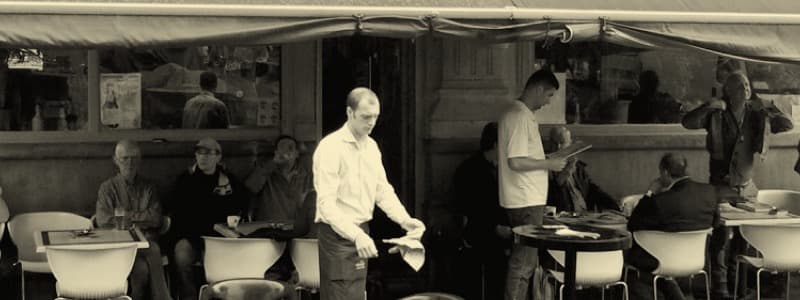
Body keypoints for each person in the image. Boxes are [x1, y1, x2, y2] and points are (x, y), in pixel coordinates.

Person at [682, 71, 793, 299]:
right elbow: (688, 122)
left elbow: (787, 125)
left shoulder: (756, 113)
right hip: (721, 187)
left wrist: (769, 106)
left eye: (746, 84)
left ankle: (738, 285)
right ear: (729, 91)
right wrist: (708, 106)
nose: (745, 87)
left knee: (745, 239)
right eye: (740, 85)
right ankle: (720, 289)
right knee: (720, 239)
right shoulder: (718, 114)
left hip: (747, 187)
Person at [313, 87, 425, 300]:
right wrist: (357, 235)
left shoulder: (371, 146)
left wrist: (405, 220)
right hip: (337, 235)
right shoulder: (330, 147)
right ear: (349, 113)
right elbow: (326, 205)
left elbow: (382, 190)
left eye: (375, 117)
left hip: (361, 230)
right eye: (366, 117)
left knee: (356, 295)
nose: (371, 122)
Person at [498, 69, 567, 300]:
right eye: (548, 95)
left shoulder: (518, 114)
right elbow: (516, 161)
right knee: (523, 263)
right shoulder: (518, 116)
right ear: (537, 89)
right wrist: (549, 164)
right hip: (525, 198)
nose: (548, 102)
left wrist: (548, 161)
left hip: (525, 197)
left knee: (525, 261)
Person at [627, 153, 719, 300]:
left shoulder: (659, 201)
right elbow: (715, 223)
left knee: (630, 256)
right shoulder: (709, 192)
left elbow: (632, 224)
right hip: (695, 259)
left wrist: (650, 192)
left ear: (664, 172)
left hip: (661, 260)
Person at [168, 138, 248, 300]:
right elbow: (179, 214)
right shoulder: (186, 179)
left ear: (218, 157)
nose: (203, 157)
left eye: (208, 153)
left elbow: (242, 204)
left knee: (229, 261)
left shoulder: (228, 180)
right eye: (199, 152)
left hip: (219, 238)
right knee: (181, 254)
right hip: (191, 236)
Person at [95, 140, 172, 300]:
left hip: (144, 242)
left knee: (141, 268)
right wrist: (139, 217)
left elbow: (156, 218)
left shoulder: (149, 187)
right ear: (116, 160)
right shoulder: (107, 188)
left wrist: (124, 216)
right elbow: (103, 220)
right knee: (153, 250)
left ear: (140, 160)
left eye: (134, 158)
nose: (130, 163)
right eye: (125, 158)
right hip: (118, 244)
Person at [452, 122, 511, 300]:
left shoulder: (502, 169)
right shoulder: (469, 170)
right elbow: (469, 209)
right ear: (496, 144)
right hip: (480, 233)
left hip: (502, 230)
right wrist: (495, 227)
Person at [546, 127, 620, 213]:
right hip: (564, 216)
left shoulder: (578, 166)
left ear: (570, 144)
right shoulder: (546, 168)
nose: (558, 147)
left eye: (562, 143)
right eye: (554, 143)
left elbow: (593, 190)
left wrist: (615, 205)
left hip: (583, 214)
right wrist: (561, 179)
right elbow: (549, 199)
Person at [245, 135, 313, 225]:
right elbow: (250, 188)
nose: (286, 152)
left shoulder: (306, 175)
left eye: (290, 148)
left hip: (296, 229)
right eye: (282, 149)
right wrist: (273, 163)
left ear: (297, 153)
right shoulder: (265, 170)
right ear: (276, 152)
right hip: (268, 228)